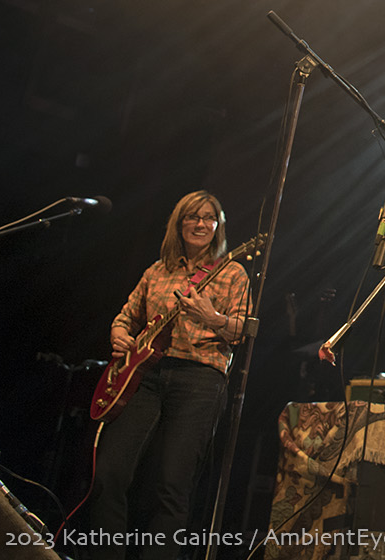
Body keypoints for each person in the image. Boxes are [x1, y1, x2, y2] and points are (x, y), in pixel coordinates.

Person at [87, 191, 251, 559]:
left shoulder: (232, 272)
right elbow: (126, 316)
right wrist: (119, 335)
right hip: (145, 376)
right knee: (109, 472)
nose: (201, 224)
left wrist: (214, 319)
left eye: (209, 218)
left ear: (218, 227)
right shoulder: (158, 271)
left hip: (199, 380)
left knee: (171, 485)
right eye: (193, 217)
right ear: (179, 223)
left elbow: (244, 330)